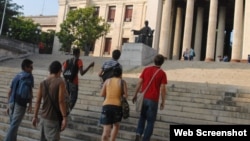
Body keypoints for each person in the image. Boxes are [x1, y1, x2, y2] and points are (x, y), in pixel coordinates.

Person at [132, 54, 167, 141]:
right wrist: (163, 101)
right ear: (162, 63)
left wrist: (135, 94)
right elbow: (162, 89)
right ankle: (146, 139)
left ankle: (138, 133)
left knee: (142, 117)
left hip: (144, 98)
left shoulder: (146, 69)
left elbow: (139, 82)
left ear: (154, 61)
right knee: (151, 121)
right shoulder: (162, 73)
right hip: (153, 99)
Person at [32, 61, 68, 141]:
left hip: (43, 117)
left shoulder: (43, 82)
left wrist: (35, 116)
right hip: (53, 118)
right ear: (59, 71)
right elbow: (61, 101)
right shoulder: (60, 82)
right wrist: (65, 117)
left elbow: (37, 101)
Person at [4, 59, 34, 141]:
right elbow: (30, 92)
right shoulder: (29, 76)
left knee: (13, 125)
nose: (32, 69)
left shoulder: (16, 76)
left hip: (11, 102)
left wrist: (8, 105)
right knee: (14, 125)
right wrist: (30, 105)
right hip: (20, 103)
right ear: (25, 67)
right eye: (31, 67)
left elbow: (9, 91)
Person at [100, 67, 128, 141]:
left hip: (106, 106)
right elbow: (126, 96)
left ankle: (105, 138)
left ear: (112, 73)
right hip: (117, 106)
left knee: (106, 130)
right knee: (116, 125)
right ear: (120, 74)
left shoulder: (107, 81)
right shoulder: (122, 82)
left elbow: (102, 94)